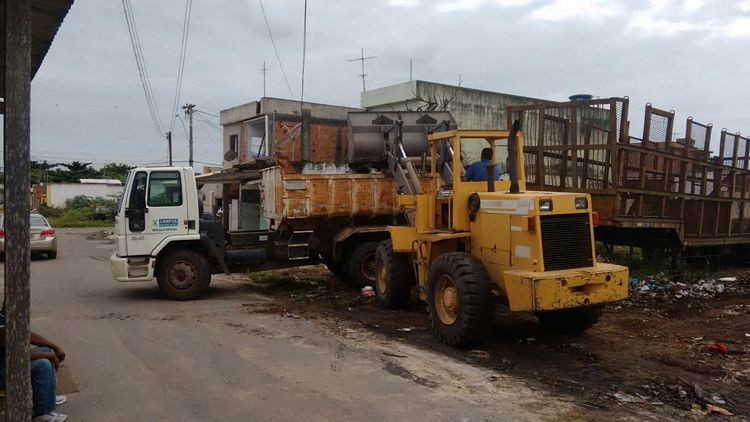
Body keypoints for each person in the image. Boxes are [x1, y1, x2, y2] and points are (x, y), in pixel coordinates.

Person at [0, 311, 68, 422]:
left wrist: (54, 347)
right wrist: (50, 355)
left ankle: (48, 397)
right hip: (4, 369)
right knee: (42, 365)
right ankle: (43, 414)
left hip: (7, 363)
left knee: (47, 350)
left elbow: (25, 334)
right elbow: (16, 354)